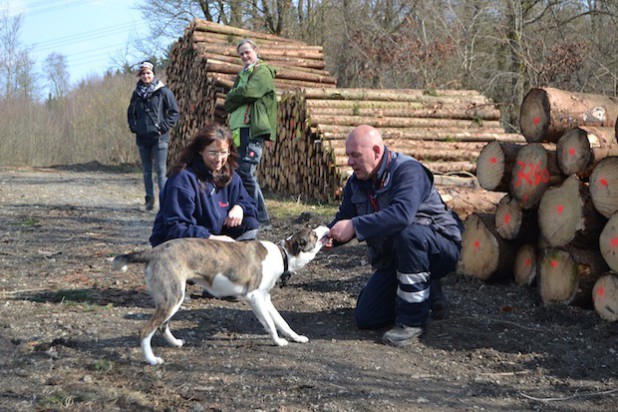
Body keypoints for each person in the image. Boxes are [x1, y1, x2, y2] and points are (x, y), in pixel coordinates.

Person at [326, 125, 463, 347]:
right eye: (348, 155)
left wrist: (354, 225)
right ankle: (427, 291)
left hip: (440, 247)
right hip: (396, 257)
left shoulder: (408, 171)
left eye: (355, 156)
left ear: (377, 152)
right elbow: (344, 217)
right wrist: (324, 236)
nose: (349, 162)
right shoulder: (356, 182)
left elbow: (402, 215)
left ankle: (412, 321)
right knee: (367, 318)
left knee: (408, 234)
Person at [149, 123, 260, 247]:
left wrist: (240, 207)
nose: (219, 159)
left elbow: (250, 203)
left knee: (250, 223)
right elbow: (176, 227)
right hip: (177, 244)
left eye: (224, 153)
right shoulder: (182, 179)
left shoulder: (231, 176)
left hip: (212, 237)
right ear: (200, 151)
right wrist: (212, 239)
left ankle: (238, 264)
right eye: (213, 153)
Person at [224, 39, 277, 228]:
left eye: (247, 52)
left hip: (253, 129)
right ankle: (246, 212)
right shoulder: (243, 74)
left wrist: (236, 94)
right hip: (238, 130)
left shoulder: (262, 71)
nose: (245, 56)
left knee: (246, 172)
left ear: (256, 51)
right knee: (238, 172)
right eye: (241, 54)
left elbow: (251, 92)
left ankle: (262, 218)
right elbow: (229, 102)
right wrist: (237, 94)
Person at [127, 60, 179, 211]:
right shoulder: (136, 94)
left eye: (148, 73)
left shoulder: (163, 92)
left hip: (159, 138)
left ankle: (165, 204)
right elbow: (131, 114)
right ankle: (149, 201)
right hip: (142, 138)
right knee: (146, 171)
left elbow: (174, 112)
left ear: (153, 74)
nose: (145, 76)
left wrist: (163, 127)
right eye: (143, 73)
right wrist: (134, 127)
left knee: (161, 171)